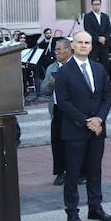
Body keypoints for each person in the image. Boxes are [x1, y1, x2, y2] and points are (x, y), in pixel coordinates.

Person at [54, 31, 111, 221]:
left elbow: (107, 95)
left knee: (94, 170)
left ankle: (95, 208)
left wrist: (99, 118)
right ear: (72, 46)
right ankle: (72, 212)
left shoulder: (99, 68)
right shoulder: (64, 71)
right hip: (74, 130)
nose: (83, 46)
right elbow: (63, 102)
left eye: (87, 43)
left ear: (91, 46)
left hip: (97, 129)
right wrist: (86, 121)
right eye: (79, 42)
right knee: (72, 173)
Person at [38, 37, 72, 186]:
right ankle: (60, 172)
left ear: (68, 50)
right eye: (55, 50)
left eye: (59, 49)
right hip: (57, 110)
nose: (56, 52)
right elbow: (43, 90)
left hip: (73, 109)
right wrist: (51, 84)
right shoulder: (52, 68)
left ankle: (78, 172)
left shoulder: (76, 66)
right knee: (57, 142)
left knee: (74, 142)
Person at [83, 0, 111, 67]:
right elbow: (88, 30)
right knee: (93, 64)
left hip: (104, 45)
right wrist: (98, 38)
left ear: (100, 5)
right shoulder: (88, 16)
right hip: (94, 45)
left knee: (105, 64)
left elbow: (109, 29)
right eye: (95, 4)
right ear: (92, 5)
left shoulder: (105, 16)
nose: (97, 6)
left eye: (98, 4)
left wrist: (105, 38)